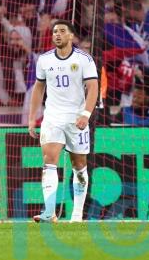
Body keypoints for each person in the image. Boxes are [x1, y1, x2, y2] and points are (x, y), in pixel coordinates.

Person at [28, 20, 98, 222]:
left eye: (61, 31)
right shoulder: (44, 60)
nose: (57, 34)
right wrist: (32, 118)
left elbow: (93, 87)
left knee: (79, 165)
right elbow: (38, 88)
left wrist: (86, 114)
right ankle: (49, 212)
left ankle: (77, 214)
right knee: (49, 160)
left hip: (76, 119)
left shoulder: (84, 59)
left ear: (71, 36)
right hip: (53, 117)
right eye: (54, 31)